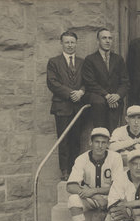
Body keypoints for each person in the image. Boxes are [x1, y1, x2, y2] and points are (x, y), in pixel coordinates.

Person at [66, 128, 123, 221]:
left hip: (110, 196)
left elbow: (118, 186)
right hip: (92, 198)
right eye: (97, 142)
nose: (100, 145)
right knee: (73, 199)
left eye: (104, 142)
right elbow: (70, 186)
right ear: (90, 142)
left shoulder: (115, 157)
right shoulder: (82, 158)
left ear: (108, 144)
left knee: (117, 203)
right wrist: (95, 195)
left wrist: (94, 191)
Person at [46, 31, 85, 181]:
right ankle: (64, 171)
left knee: (76, 141)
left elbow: (87, 81)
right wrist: (70, 93)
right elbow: (52, 83)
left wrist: (81, 92)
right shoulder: (54, 62)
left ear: (76, 43)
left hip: (78, 107)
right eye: (67, 42)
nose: (70, 45)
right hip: (62, 107)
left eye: (72, 42)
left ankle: (75, 170)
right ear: (61, 43)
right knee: (63, 140)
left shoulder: (82, 62)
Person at [82, 28, 130, 132]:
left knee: (113, 132)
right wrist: (107, 96)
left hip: (115, 100)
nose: (107, 41)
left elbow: (125, 82)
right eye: (104, 38)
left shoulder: (118, 59)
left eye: (110, 38)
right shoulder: (90, 59)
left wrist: (117, 95)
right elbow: (90, 83)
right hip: (98, 100)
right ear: (98, 41)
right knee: (100, 132)